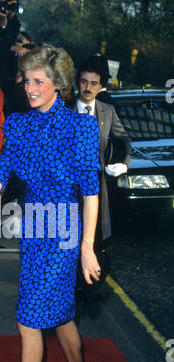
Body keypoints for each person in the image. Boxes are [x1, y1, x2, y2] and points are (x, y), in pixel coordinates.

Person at [0, 44, 102, 362]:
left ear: (58, 84)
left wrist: (86, 247)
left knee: (28, 318)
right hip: (35, 229)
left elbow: (90, 191)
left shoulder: (80, 127)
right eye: (26, 79)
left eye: (38, 81)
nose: (30, 87)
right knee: (60, 312)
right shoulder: (18, 125)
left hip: (66, 231)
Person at [72, 57, 131, 241]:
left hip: (97, 188)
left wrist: (124, 164)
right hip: (67, 189)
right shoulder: (63, 111)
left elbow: (125, 140)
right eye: (83, 82)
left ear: (101, 86)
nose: (88, 88)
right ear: (78, 83)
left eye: (93, 83)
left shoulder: (108, 111)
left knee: (95, 240)